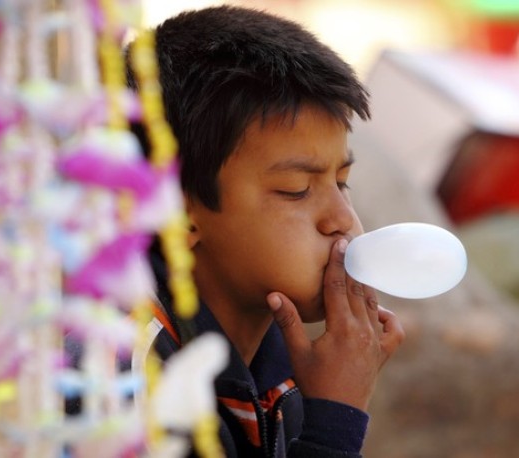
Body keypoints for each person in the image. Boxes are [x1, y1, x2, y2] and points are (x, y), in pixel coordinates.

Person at [126, 5, 406, 457]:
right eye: (296, 190)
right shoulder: (128, 375)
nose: (341, 219)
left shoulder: (285, 371)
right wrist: (334, 422)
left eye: (341, 182)